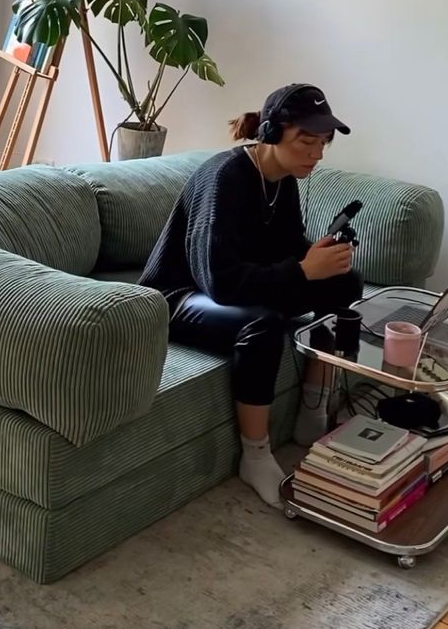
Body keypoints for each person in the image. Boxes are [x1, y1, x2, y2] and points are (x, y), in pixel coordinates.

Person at [139, 83, 363, 509]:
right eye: (306, 141)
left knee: (346, 283)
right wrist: (300, 271)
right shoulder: (225, 177)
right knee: (263, 324)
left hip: (232, 288)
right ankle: (256, 456)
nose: (316, 154)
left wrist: (316, 257)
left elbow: (286, 246)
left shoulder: (283, 180)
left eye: (322, 143)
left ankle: (312, 414)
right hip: (177, 296)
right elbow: (218, 281)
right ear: (273, 133)